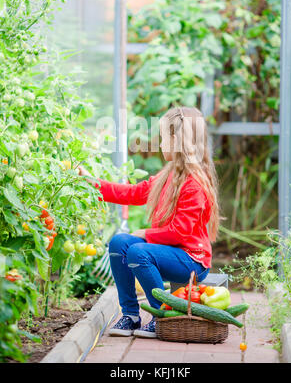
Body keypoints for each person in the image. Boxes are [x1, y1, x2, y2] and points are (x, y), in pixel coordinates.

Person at [78, 106, 221, 339]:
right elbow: (130, 193)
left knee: (138, 251)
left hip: (192, 260)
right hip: (168, 253)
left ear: (177, 140)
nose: (161, 143)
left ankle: (161, 316)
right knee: (118, 243)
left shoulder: (194, 183)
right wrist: (90, 182)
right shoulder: (168, 177)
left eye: (163, 138)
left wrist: (146, 233)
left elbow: (181, 233)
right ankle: (131, 316)